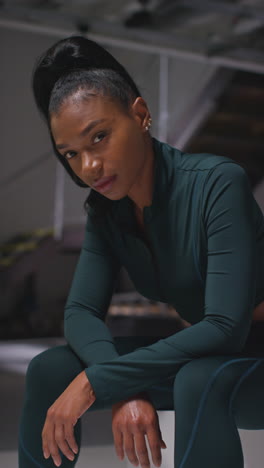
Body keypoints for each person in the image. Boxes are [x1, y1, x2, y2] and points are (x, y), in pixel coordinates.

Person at [18, 35, 264, 468]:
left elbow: (225, 327)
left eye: (99, 137)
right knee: (51, 369)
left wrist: (98, 382)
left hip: (250, 358)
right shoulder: (106, 211)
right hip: (209, 358)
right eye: (71, 153)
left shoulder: (218, 183)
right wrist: (119, 385)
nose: (88, 166)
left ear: (140, 114)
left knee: (197, 379)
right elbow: (80, 313)